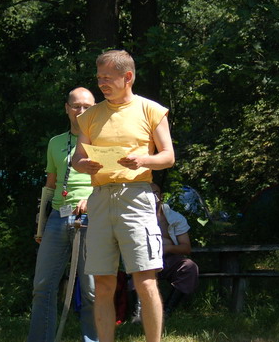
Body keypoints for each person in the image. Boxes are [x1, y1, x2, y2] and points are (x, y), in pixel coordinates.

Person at [72, 50, 175, 342]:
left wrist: (143, 160)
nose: (101, 83)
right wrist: (84, 164)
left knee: (146, 280)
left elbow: (168, 156)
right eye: (99, 78)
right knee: (103, 283)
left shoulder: (151, 110)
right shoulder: (90, 116)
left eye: (107, 77)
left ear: (127, 76)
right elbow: (77, 158)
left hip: (136, 198)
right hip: (100, 199)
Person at [27, 87, 98, 342]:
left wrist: (92, 200)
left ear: (95, 109)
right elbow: (50, 185)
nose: (81, 111)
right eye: (76, 106)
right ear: (67, 109)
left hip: (92, 220)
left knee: (92, 292)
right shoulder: (55, 142)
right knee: (42, 287)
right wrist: (41, 224)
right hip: (58, 217)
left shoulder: (103, 140)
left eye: (87, 106)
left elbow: (114, 182)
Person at [131, 183, 199, 322]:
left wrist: (166, 248)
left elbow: (186, 247)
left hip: (169, 260)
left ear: (161, 196)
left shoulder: (175, 218)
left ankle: (167, 311)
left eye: (155, 193)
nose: (151, 196)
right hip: (144, 260)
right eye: (147, 193)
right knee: (137, 270)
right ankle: (138, 314)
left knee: (189, 267)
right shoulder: (133, 218)